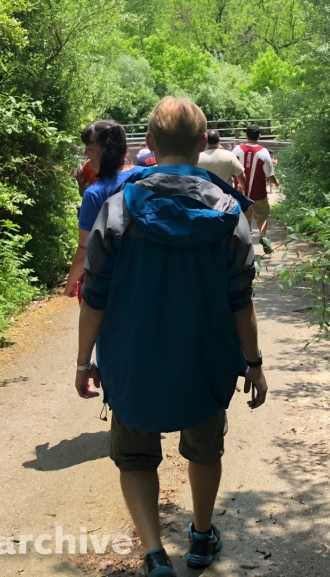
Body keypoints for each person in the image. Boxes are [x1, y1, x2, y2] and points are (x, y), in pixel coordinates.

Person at [75, 97, 269, 577]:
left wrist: (84, 361)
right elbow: (239, 303)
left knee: (136, 456)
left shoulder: (118, 209)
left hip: (132, 360)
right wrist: (254, 361)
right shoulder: (230, 214)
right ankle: (201, 538)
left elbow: (94, 297)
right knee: (204, 449)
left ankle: (154, 554)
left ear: (151, 144)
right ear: (204, 144)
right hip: (205, 361)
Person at [64, 120, 136, 301]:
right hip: (144, 278)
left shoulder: (95, 194)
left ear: (106, 148)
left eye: (89, 147)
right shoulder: (147, 177)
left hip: (108, 286)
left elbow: (85, 248)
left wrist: (71, 282)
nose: (85, 153)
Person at [233, 124, 279, 254]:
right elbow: (270, 174)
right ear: (259, 136)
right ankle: (263, 236)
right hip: (258, 193)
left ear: (246, 136)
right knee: (263, 216)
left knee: (244, 219)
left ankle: (246, 247)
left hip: (240, 193)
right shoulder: (263, 153)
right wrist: (276, 183)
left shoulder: (236, 150)